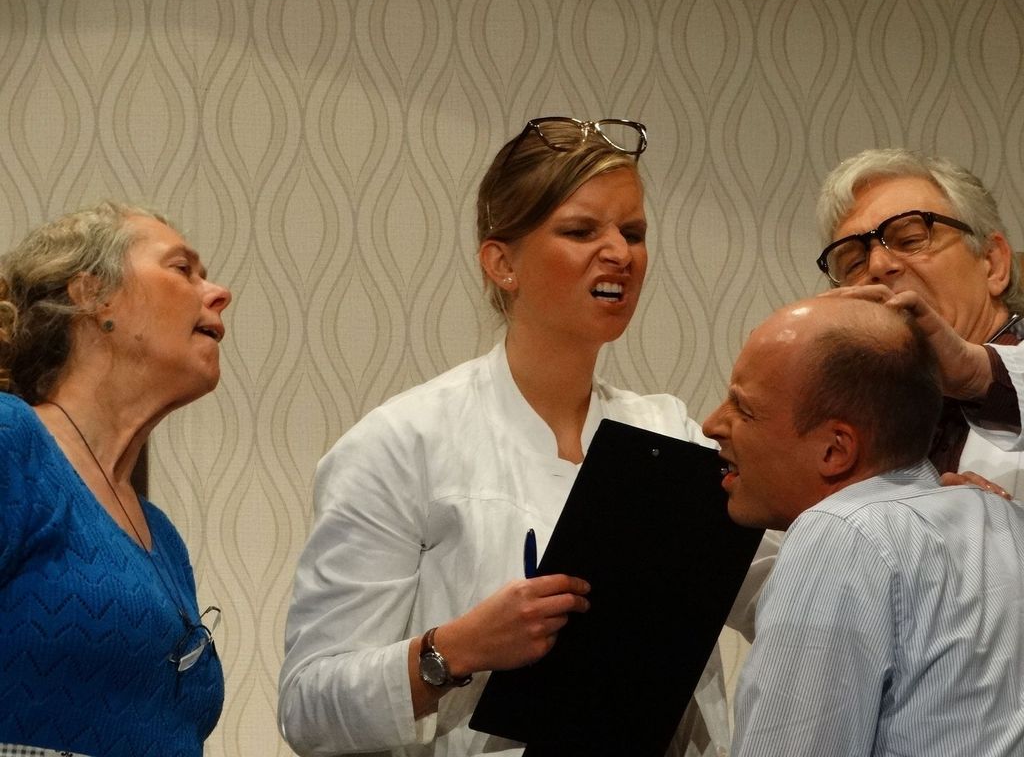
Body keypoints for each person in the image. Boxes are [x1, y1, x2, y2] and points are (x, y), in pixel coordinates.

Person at [278, 117, 777, 757]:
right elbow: (308, 706)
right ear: (502, 262)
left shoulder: (673, 435)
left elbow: (786, 595)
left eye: (633, 233)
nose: (619, 253)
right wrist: (456, 649)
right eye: (581, 231)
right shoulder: (402, 444)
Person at [702, 296, 1024, 756]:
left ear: (835, 450)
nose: (712, 424)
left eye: (742, 408)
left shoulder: (841, 532)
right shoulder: (1006, 520)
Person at [0, 202, 231, 756]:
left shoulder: (163, 536)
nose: (219, 293)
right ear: (93, 296)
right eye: (182, 269)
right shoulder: (12, 442)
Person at [815, 148, 1024, 497]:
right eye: (854, 263)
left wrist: (1000, 525)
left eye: (910, 240)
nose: (878, 266)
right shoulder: (850, 425)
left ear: (993, 263)